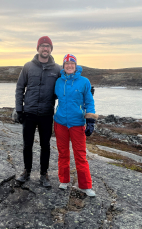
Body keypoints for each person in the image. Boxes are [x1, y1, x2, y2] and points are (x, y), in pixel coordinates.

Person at [15, 36, 61, 187]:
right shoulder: (28, 66)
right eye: (42, 46)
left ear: (51, 49)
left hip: (47, 114)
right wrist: (19, 110)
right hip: (29, 112)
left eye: (48, 46)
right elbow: (20, 88)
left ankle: (44, 174)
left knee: (45, 145)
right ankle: (26, 171)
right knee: (27, 144)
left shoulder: (57, 69)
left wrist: (84, 89)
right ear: (38, 48)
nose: (45, 48)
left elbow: (66, 87)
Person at [53, 54, 98, 197]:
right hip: (60, 122)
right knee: (63, 153)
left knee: (80, 154)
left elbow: (89, 102)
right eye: (66, 63)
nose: (69, 66)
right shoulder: (59, 82)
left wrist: (90, 120)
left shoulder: (84, 82)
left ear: (76, 65)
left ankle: (85, 186)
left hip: (77, 123)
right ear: (63, 66)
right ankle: (64, 180)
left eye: (72, 63)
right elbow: (52, 98)